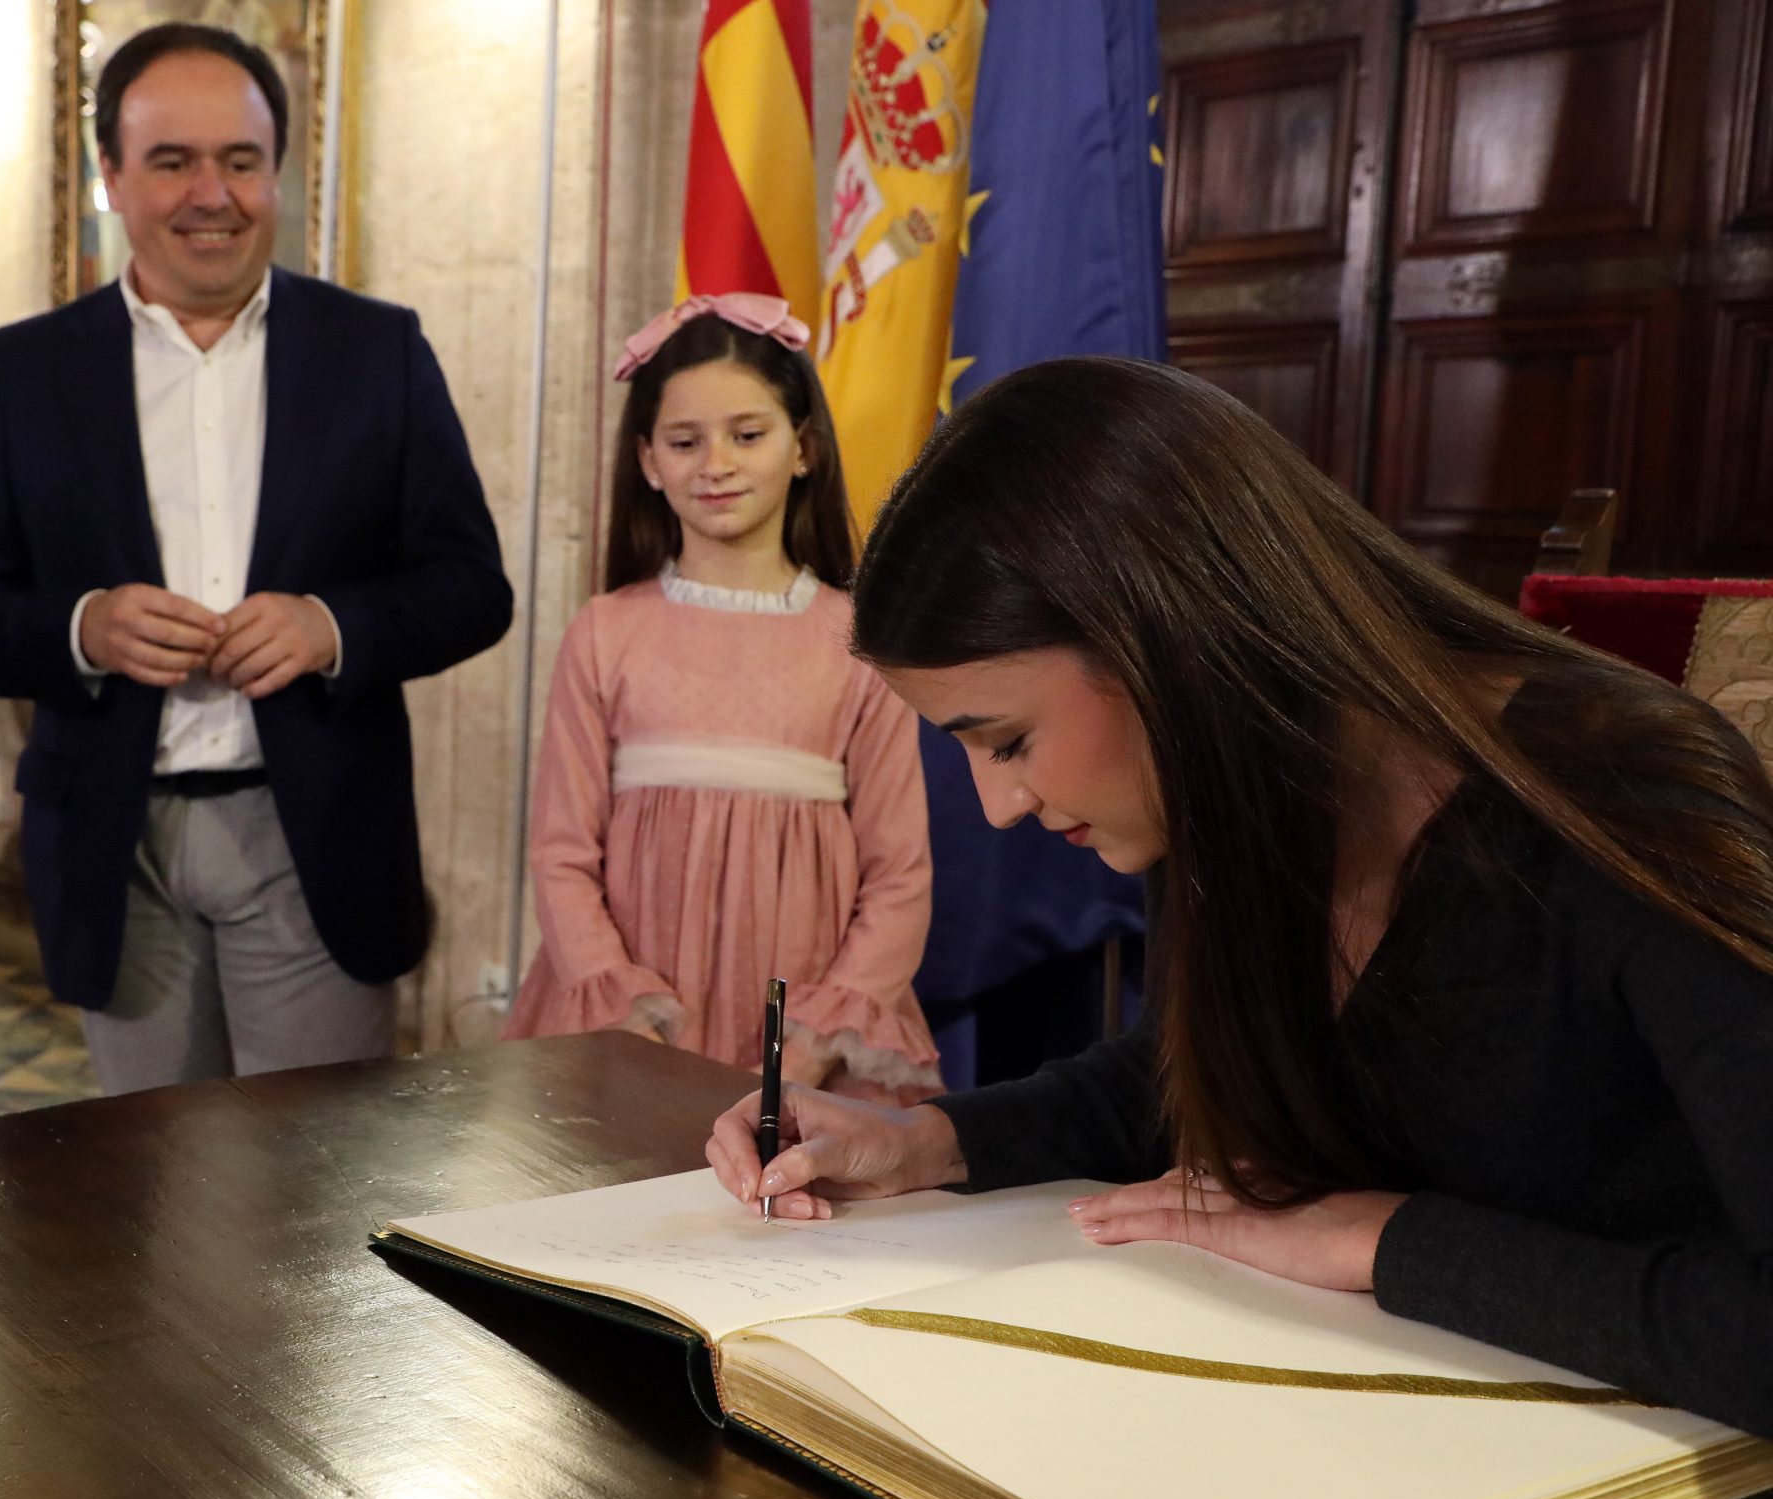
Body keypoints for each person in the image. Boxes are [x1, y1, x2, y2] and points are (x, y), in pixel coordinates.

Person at [704, 355, 1773, 1437]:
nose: (997, 807)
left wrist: (1380, 1239)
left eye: (1008, 741)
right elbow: (1190, 1070)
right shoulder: (1224, 787)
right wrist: (925, 1143)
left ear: (1164, 642)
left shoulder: (1621, 792)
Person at [0, 24, 510, 1091]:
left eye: (239, 161)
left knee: (313, 1169)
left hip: (312, 831)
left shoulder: (375, 351)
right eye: (172, 162)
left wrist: (332, 627)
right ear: (110, 175)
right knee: (152, 1173)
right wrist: (84, 628)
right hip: (116, 844)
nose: (211, 195)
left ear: (276, 170)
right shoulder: (28, 370)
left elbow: (471, 587)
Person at [506, 295, 938, 1100]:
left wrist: (800, 1057)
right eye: (685, 441)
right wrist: (631, 1030)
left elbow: (899, 873)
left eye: (747, 435)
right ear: (648, 460)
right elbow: (562, 855)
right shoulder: (605, 632)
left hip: (806, 1051)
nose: (716, 464)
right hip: (628, 1045)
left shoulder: (860, 643)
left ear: (803, 447)